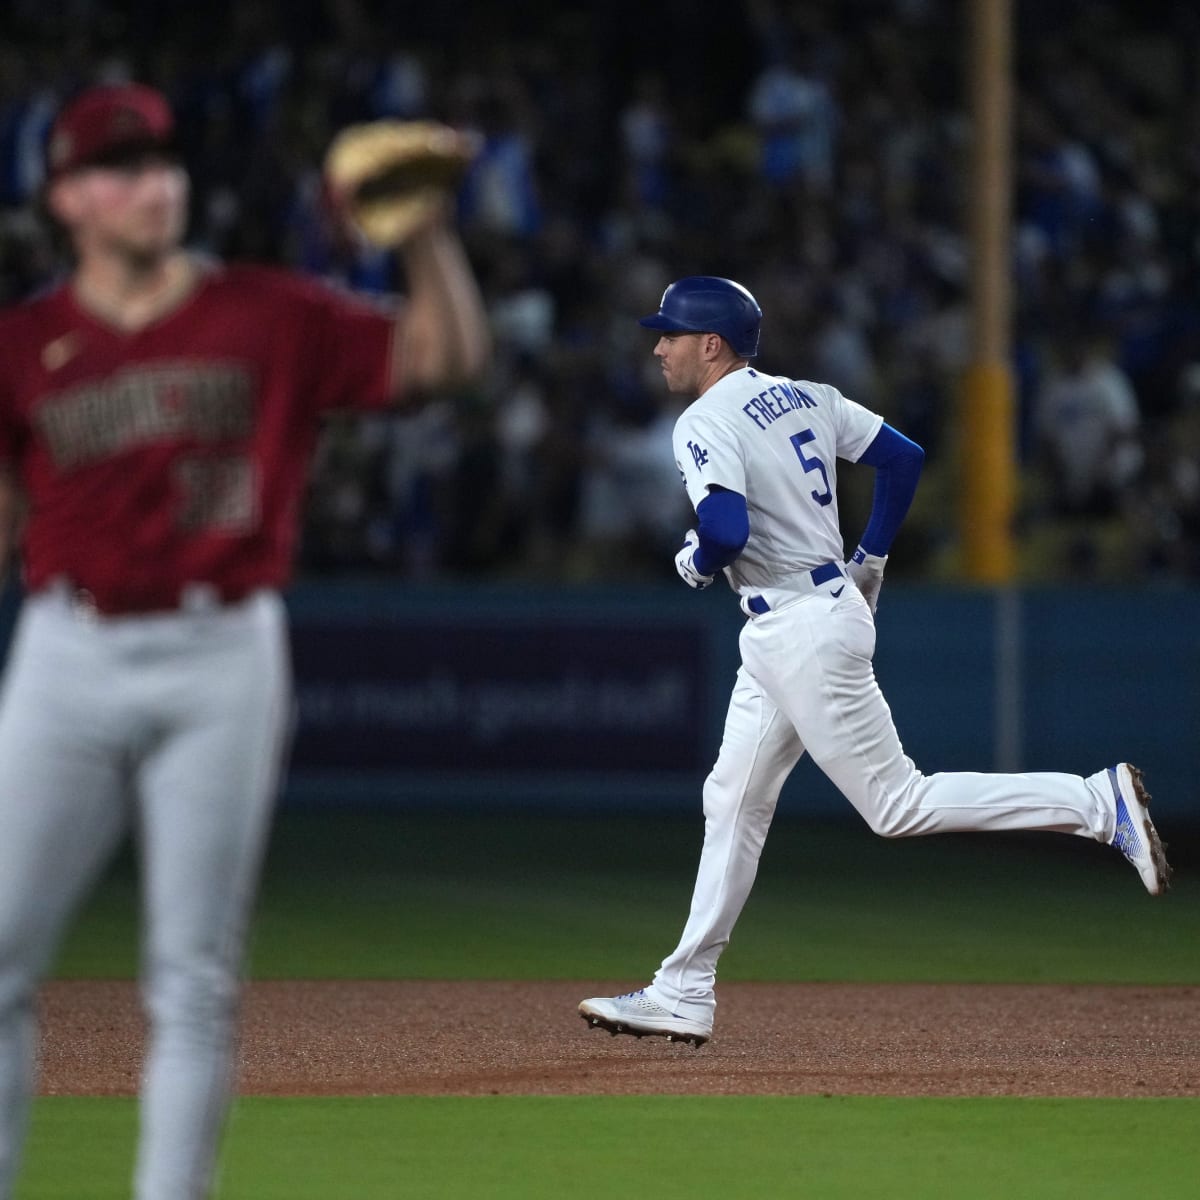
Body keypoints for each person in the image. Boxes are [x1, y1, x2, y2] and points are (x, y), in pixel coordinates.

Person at [0, 83, 489, 1199]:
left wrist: (426, 245)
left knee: (195, 982)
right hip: (66, 649)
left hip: (223, 654)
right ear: (68, 196)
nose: (153, 183)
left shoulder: (272, 312)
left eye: (163, 161)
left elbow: (441, 361)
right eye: (120, 166)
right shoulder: (23, 343)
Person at [578, 276, 1170, 1048]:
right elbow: (904, 458)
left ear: (711, 345)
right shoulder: (805, 396)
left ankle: (1095, 803)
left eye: (671, 335)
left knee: (897, 805)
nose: (658, 346)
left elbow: (722, 529)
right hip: (801, 622)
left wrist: (694, 557)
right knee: (733, 801)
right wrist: (872, 557)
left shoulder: (703, 422)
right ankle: (684, 990)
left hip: (801, 629)